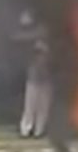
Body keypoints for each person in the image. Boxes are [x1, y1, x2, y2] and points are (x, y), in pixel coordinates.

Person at [15, 10, 52, 139]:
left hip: (46, 76)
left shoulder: (45, 37)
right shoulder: (30, 38)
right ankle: (26, 129)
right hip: (34, 75)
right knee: (30, 105)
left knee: (42, 106)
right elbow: (19, 37)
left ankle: (38, 131)